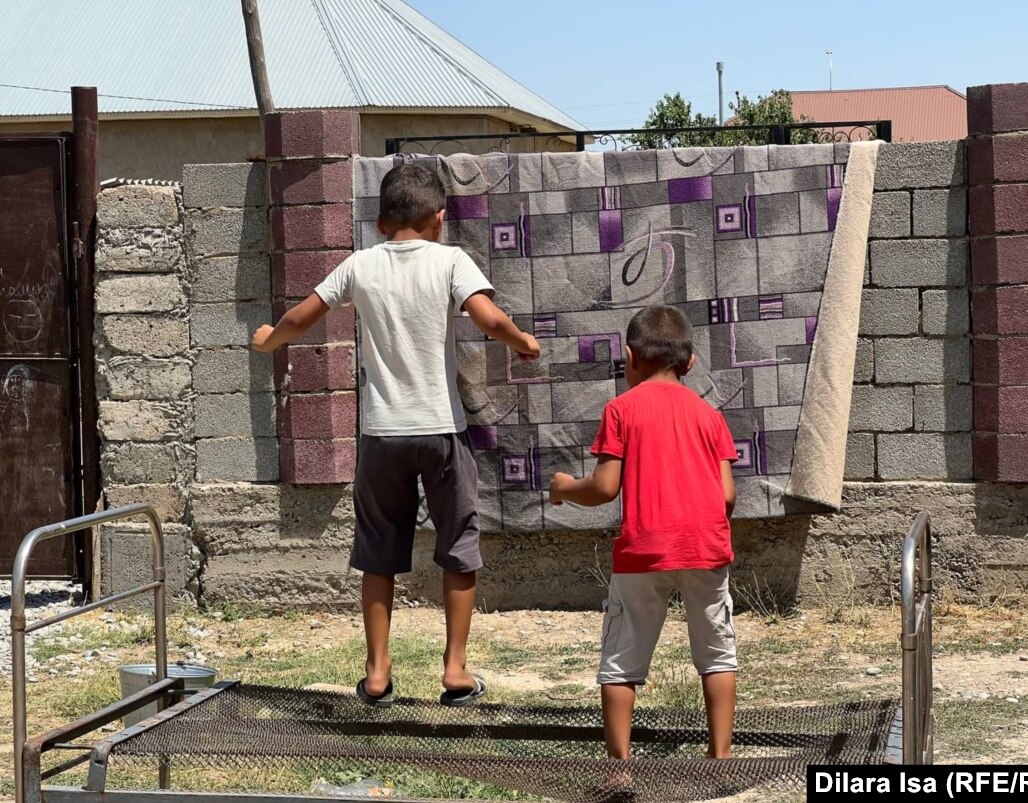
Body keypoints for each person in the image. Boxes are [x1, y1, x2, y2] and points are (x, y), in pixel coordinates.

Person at [251, 163, 540, 708]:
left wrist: (269, 342)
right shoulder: (451, 260)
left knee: (379, 553)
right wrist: (523, 341)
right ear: (440, 218)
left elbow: (301, 317)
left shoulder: (360, 265)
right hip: (442, 430)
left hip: (381, 433)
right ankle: (455, 669)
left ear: (382, 221)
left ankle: (378, 671)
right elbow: (488, 318)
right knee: (459, 546)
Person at [549, 305, 738, 760]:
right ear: (689, 364)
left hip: (643, 551)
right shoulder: (710, 416)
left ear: (630, 357)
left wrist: (564, 488)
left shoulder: (620, 410)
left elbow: (605, 487)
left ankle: (619, 766)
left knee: (621, 661)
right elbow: (727, 497)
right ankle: (721, 756)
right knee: (716, 654)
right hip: (706, 547)